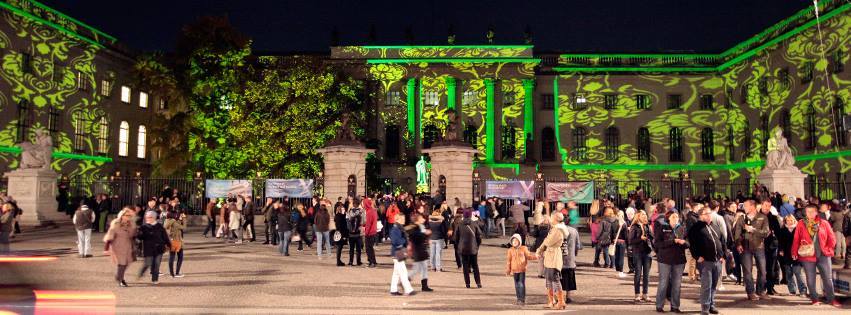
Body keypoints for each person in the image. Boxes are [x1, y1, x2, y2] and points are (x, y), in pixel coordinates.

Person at [791, 205, 841, 307]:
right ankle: (814, 299)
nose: (809, 214)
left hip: (823, 255)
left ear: (816, 212)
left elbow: (832, 238)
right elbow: (796, 239)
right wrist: (794, 252)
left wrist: (828, 249)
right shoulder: (801, 223)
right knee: (810, 279)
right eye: (807, 212)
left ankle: (831, 299)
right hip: (807, 256)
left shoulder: (824, 223)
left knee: (828, 278)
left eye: (812, 212)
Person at [688, 207, 727, 315]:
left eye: (710, 213)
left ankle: (711, 305)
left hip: (717, 261)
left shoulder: (714, 226)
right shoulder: (696, 228)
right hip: (705, 262)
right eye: (707, 214)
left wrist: (724, 255)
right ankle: (705, 307)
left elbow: (722, 241)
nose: (709, 215)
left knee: (714, 285)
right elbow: (692, 244)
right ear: (701, 216)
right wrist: (697, 256)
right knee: (706, 285)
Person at [734, 200, 770, 300]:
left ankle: (760, 291)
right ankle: (750, 292)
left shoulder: (763, 217)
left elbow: (766, 233)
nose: (743, 208)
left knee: (762, 271)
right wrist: (738, 244)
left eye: (745, 206)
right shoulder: (741, 218)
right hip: (745, 248)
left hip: (759, 247)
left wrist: (753, 230)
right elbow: (737, 233)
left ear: (752, 206)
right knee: (747, 271)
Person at [655, 211, 689, 313]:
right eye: (673, 217)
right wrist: (672, 241)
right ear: (668, 218)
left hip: (679, 260)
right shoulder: (662, 228)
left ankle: (675, 306)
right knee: (663, 283)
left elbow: (688, 243)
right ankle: (659, 305)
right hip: (665, 260)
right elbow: (657, 244)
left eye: (677, 217)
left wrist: (684, 243)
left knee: (677, 284)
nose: (675, 218)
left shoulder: (682, 228)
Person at [535, 212, 566, 309]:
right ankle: (551, 301)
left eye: (552, 218)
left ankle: (561, 302)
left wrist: (539, 250)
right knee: (548, 280)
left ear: (556, 219)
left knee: (555, 280)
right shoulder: (554, 228)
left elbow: (548, 241)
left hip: (554, 257)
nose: (550, 219)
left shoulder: (558, 229)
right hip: (550, 256)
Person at [104, 208, 137, 287]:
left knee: (127, 263)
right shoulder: (116, 224)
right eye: (126, 215)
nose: (128, 217)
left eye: (130, 216)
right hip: (117, 246)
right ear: (122, 216)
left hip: (128, 246)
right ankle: (121, 280)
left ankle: (118, 276)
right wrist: (106, 248)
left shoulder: (132, 225)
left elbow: (133, 236)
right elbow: (109, 236)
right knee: (122, 263)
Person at [136, 211, 170, 284]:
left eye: (150, 217)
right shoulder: (143, 227)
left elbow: (165, 236)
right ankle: (141, 273)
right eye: (147, 217)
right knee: (147, 263)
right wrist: (138, 234)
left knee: (156, 264)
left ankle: (155, 279)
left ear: (154, 218)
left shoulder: (160, 226)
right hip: (148, 248)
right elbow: (140, 237)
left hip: (159, 248)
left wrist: (169, 244)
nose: (148, 218)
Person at [777, 214, 806, 296]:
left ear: (794, 220)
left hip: (797, 253)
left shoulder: (798, 229)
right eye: (787, 221)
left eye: (791, 220)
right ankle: (792, 290)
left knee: (798, 272)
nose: (789, 222)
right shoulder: (783, 230)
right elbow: (780, 241)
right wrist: (781, 250)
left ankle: (803, 290)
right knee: (788, 273)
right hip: (786, 254)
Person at [555, 212, 581, 304]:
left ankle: (559, 296)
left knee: (559, 278)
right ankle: (568, 296)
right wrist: (574, 254)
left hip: (558, 258)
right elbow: (578, 246)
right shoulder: (574, 231)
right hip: (570, 258)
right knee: (570, 278)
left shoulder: (556, 230)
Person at [506, 233, 537, 305]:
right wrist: (508, 269)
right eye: (513, 241)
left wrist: (536, 256)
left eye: (516, 241)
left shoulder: (523, 248)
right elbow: (508, 261)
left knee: (521, 284)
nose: (515, 242)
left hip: (522, 270)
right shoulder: (510, 250)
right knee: (516, 285)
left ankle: (522, 299)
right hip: (514, 270)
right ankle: (518, 298)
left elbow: (529, 256)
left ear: (519, 241)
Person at [454, 209, 482, 289]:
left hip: (463, 248)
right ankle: (478, 283)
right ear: (470, 215)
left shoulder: (459, 224)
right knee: (475, 266)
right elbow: (479, 235)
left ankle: (467, 284)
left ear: (463, 215)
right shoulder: (474, 224)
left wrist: (459, 245)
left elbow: (456, 237)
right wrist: (477, 245)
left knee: (465, 266)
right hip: (473, 248)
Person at [629, 210, 653, 302]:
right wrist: (640, 238)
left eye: (645, 214)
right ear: (638, 216)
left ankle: (645, 294)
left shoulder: (647, 226)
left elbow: (652, 238)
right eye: (642, 214)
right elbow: (631, 240)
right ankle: (637, 294)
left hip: (647, 252)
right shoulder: (634, 227)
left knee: (646, 275)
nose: (645, 216)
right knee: (638, 274)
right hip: (637, 252)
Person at [389, 212, 415, 296]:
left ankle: (393, 289)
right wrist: (404, 241)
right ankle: (408, 289)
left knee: (396, 272)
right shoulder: (396, 229)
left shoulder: (399, 228)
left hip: (398, 251)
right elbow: (395, 241)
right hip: (397, 252)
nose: (404, 220)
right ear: (397, 219)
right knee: (403, 271)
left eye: (404, 218)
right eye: (402, 219)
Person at [759, 200, 781, 295]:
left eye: (769, 206)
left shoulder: (773, 217)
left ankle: (770, 287)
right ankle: (760, 288)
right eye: (765, 205)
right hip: (759, 245)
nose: (767, 207)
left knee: (771, 268)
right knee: (761, 268)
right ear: (762, 205)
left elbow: (778, 231)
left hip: (772, 245)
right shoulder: (756, 216)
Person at [407, 214, 433, 292]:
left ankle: (424, 286)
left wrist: (426, 236)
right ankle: (405, 280)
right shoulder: (415, 227)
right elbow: (415, 237)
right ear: (417, 219)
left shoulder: (421, 226)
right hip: (418, 250)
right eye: (421, 218)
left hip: (421, 249)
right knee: (417, 268)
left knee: (424, 268)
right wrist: (425, 234)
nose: (423, 219)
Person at [164, 210, 186, 278]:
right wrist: (184, 219)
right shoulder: (175, 223)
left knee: (172, 257)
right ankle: (176, 273)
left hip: (172, 241)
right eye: (180, 215)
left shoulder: (168, 221)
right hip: (177, 242)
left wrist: (180, 219)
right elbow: (183, 227)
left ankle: (172, 273)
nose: (181, 216)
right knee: (180, 257)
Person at [346, 198, 365, 266]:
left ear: (353, 204)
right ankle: (358, 261)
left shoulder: (349, 211)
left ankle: (350, 262)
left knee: (351, 249)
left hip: (351, 233)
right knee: (358, 249)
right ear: (358, 204)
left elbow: (347, 221)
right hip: (358, 233)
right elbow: (363, 221)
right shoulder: (361, 211)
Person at [363, 198, 379, 268]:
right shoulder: (373, 211)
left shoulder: (369, 212)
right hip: (373, 232)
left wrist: (366, 233)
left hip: (369, 232)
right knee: (371, 248)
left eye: (364, 203)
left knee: (368, 249)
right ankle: (373, 262)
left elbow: (369, 224)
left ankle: (372, 262)